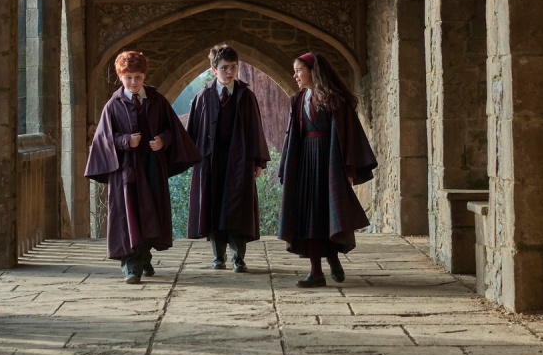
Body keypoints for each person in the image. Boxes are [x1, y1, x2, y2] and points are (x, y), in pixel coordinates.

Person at [86, 50, 200, 284]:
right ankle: (130, 265)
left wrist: (163, 141)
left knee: (150, 214)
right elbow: (105, 138)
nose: (134, 82)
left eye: (138, 77)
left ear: (144, 75)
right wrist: (126, 141)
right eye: (128, 78)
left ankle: (144, 256)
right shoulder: (112, 105)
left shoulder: (157, 100)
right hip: (126, 171)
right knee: (127, 215)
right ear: (120, 77)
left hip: (151, 168)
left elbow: (172, 129)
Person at [278, 51, 377, 288]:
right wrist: (288, 169)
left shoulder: (335, 101)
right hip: (305, 165)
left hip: (330, 163)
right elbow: (292, 137)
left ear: (314, 71)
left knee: (327, 214)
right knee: (309, 216)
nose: (295, 75)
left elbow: (349, 136)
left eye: (299, 70)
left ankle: (332, 259)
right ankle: (316, 272)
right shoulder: (298, 101)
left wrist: (349, 169)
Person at [186, 44, 271, 272]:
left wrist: (257, 162)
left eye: (233, 67)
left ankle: (238, 258)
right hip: (210, 162)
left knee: (237, 209)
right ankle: (218, 257)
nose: (229, 72)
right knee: (214, 208)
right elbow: (193, 132)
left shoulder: (246, 96)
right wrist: (194, 161)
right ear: (214, 70)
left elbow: (256, 130)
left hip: (239, 162)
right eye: (224, 68)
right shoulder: (203, 97)